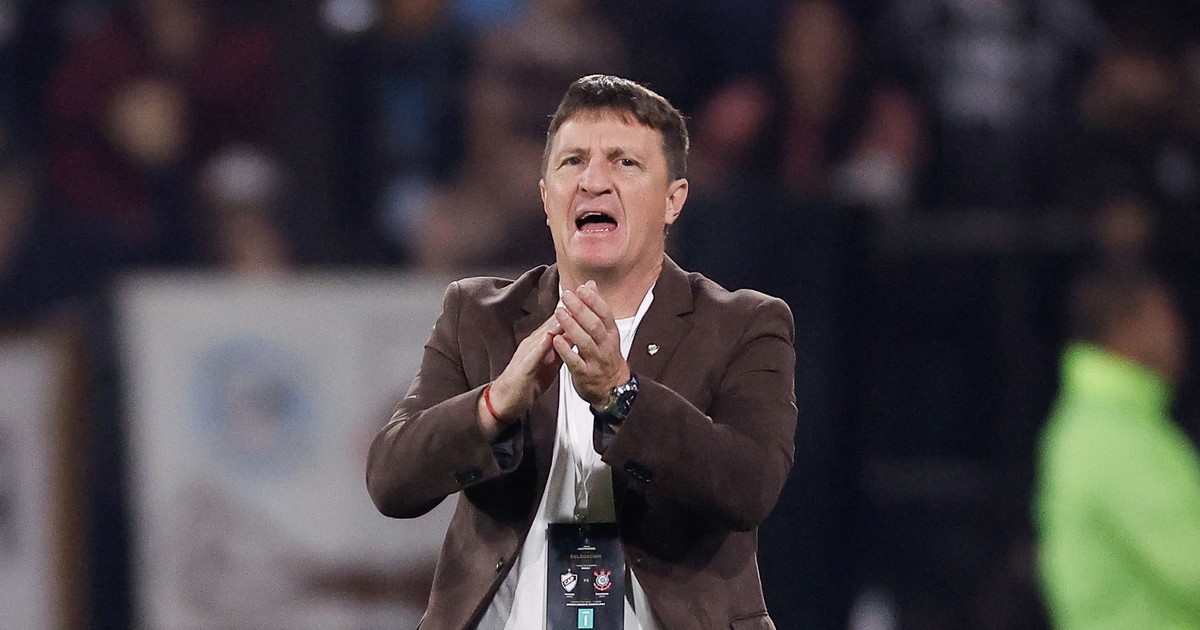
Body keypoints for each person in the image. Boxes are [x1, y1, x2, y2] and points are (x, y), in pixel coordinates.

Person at [366, 74, 797, 629]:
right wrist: (493, 407)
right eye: (572, 162)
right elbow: (391, 481)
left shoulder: (744, 324)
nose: (593, 181)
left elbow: (750, 485)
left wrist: (623, 397)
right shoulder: (478, 315)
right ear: (547, 198)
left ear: (673, 201)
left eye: (624, 163)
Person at [1033, 266, 1200, 629]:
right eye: (1166, 319)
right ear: (1128, 327)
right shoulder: (1111, 436)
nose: (1179, 334)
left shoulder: (1105, 423)